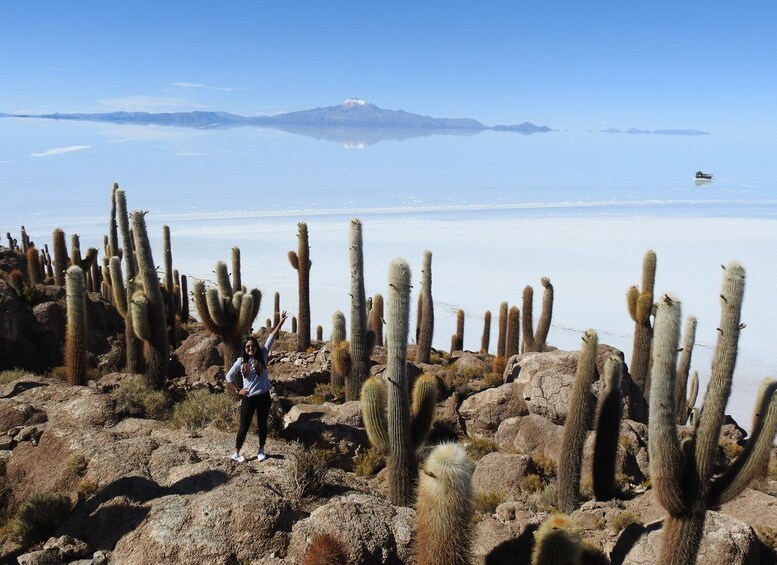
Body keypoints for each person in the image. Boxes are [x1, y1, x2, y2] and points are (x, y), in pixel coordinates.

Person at [225, 310, 288, 462]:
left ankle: (261, 450)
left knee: (262, 425)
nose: (251, 349)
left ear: (256, 347)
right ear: (244, 348)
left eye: (253, 346)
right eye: (248, 347)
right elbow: (228, 377)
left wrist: (280, 322)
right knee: (243, 427)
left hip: (264, 397)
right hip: (249, 399)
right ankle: (237, 452)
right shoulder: (240, 362)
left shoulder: (263, 356)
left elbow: (271, 338)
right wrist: (238, 390)